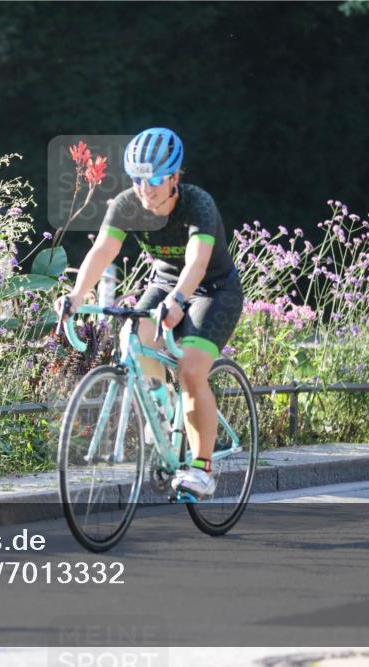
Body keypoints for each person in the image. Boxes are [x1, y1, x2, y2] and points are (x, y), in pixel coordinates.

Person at [55, 128, 244, 498]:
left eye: (155, 178)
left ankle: (202, 468)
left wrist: (176, 301)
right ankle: (163, 409)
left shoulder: (198, 205)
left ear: (175, 177)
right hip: (164, 283)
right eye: (138, 178)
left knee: (190, 370)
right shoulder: (127, 204)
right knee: (131, 336)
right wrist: (77, 296)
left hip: (213, 289)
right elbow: (103, 252)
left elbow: (197, 262)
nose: (146, 187)